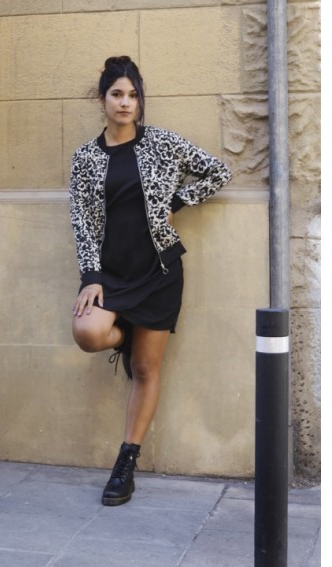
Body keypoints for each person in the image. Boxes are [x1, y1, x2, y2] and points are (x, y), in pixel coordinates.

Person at [69, 56, 231, 506]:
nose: (125, 103)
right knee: (88, 332)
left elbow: (218, 171)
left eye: (133, 95)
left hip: (158, 271)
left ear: (140, 101)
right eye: (117, 94)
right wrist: (90, 277)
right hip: (111, 276)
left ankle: (126, 462)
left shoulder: (161, 142)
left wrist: (177, 201)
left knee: (145, 369)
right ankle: (122, 336)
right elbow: (82, 223)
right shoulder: (85, 158)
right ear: (102, 99)